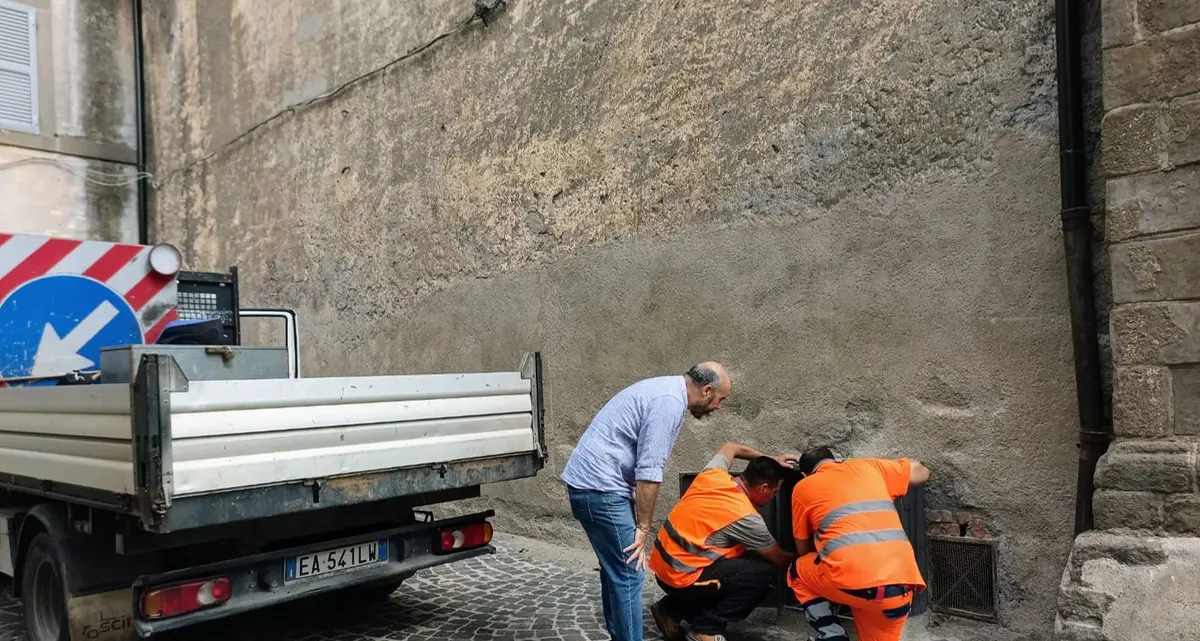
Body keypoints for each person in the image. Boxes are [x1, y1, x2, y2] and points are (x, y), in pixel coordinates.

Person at [560, 362, 732, 641]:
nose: (719, 407)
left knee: (616, 570)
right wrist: (643, 528)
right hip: (600, 491)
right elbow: (649, 472)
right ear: (707, 390)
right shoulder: (669, 403)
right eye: (720, 399)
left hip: (593, 487)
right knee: (629, 573)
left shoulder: (666, 390)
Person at [648, 443, 800, 641]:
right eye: (775, 492)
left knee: (740, 561)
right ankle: (706, 630)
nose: (774, 497)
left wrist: (772, 459)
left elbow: (731, 447)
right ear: (763, 488)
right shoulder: (745, 516)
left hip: (663, 570)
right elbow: (780, 560)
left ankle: (671, 610)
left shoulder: (712, 474)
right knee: (764, 575)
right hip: (682, 579)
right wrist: (812, 558)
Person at [786, 446, 931, 641]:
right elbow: (923, 471)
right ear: (836, 460)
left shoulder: (804, 486)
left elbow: (803, 550)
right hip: (901, 590)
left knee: (796, 571)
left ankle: (832, 636)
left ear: (804, 474)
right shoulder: (869, 467)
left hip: (854, 586)